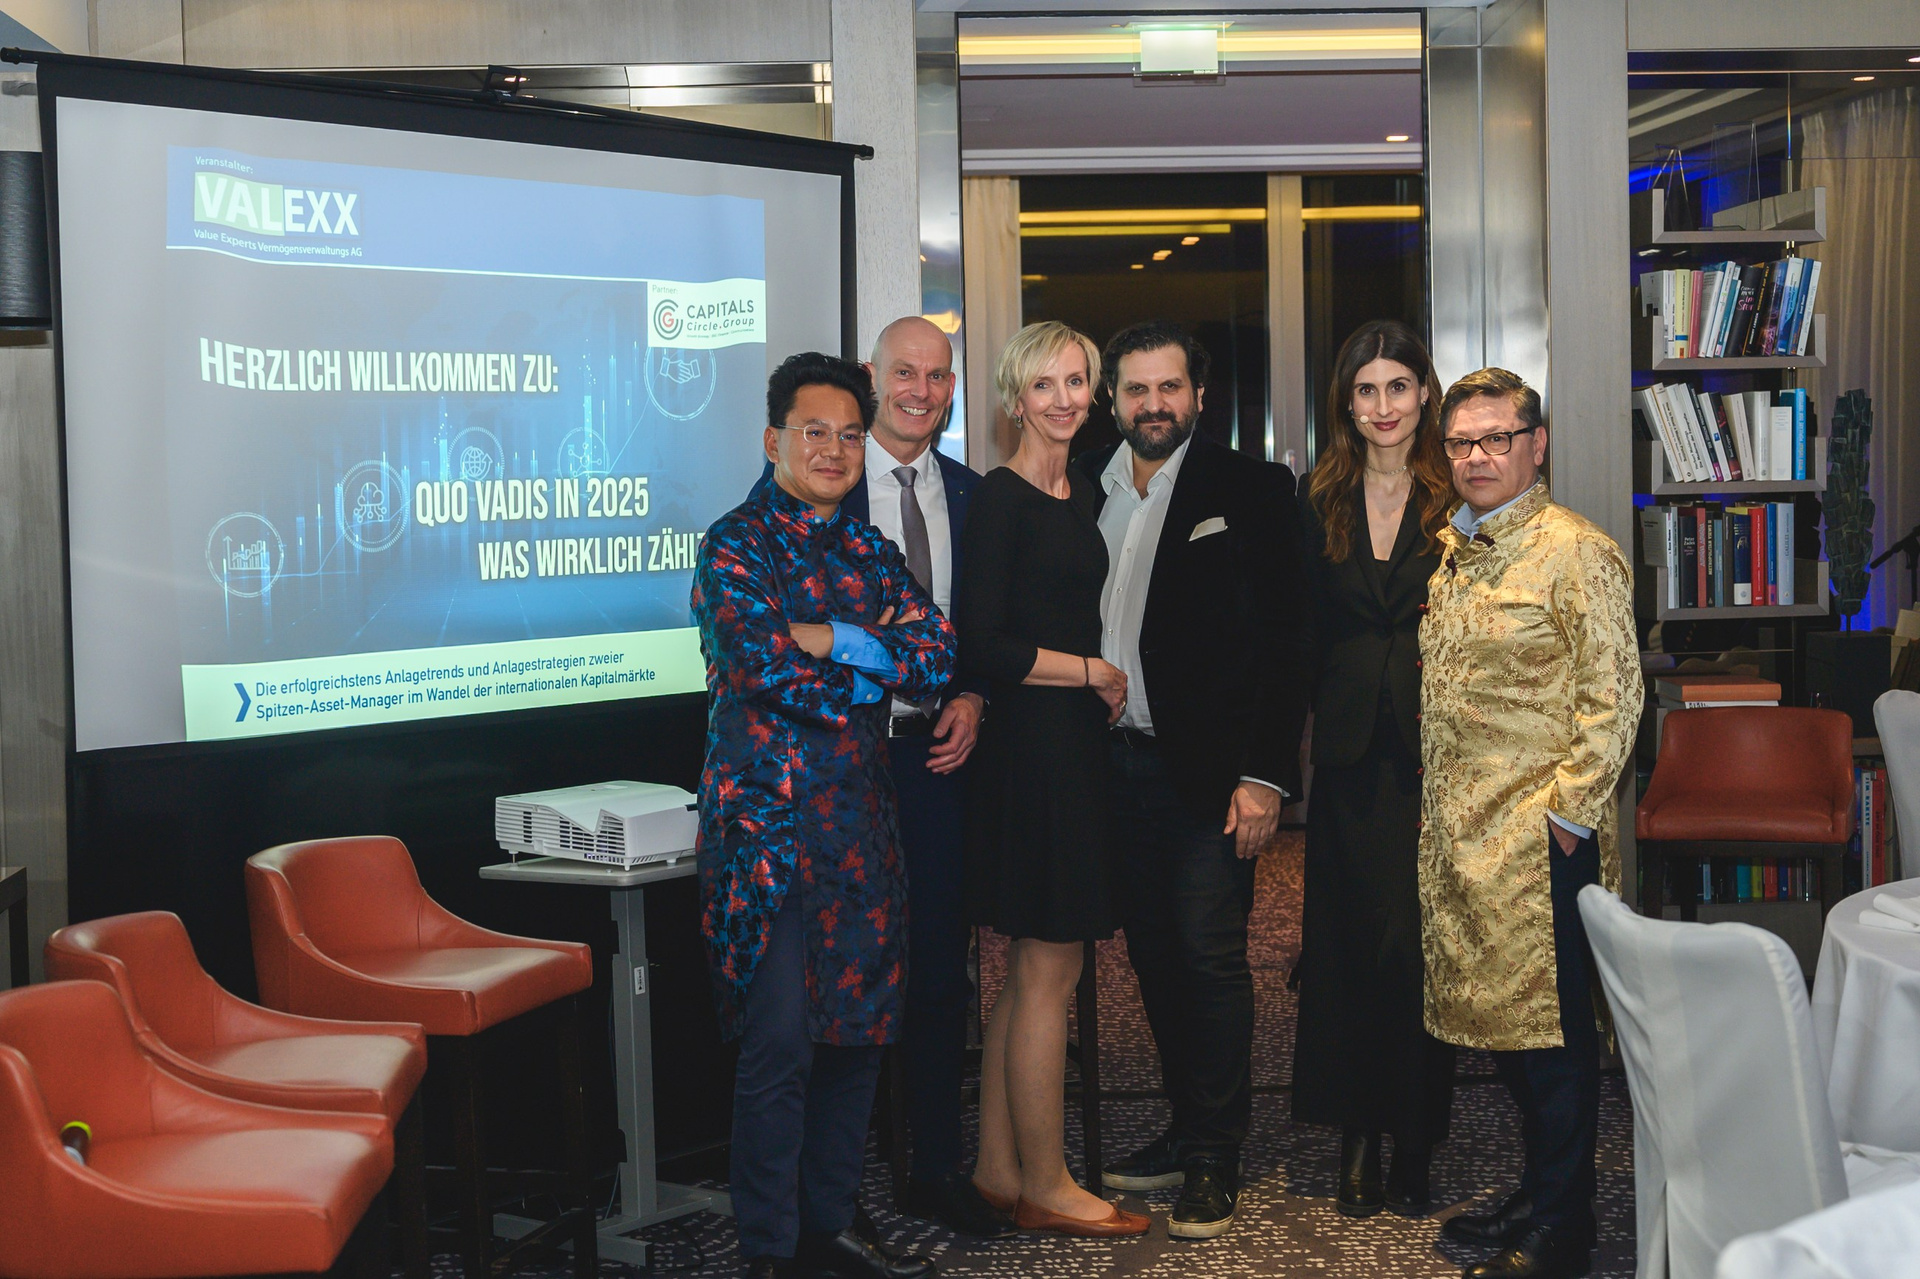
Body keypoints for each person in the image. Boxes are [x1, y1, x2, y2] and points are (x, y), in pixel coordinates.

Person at [691, 352, 957, 1279]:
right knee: (781, 1049)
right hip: (769, 841)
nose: (835, 450)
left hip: (861, 834)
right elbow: (767, 671)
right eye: (815, 432)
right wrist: (872, 673)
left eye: (850, 434)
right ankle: (770, 1250)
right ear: (774, 440)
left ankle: (826, 1229)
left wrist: (838, 637)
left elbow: (937, 656)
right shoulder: (734, 545)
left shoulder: (868, 550)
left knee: (858, 1040)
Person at [1080, 320, 1311, 1240]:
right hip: (1111, 768)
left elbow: (1289, 643)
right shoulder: (1085, 484)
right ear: (1113, 399)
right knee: (1150, 955)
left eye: (1169, 387)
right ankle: (1185, 1124)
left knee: (1209, 957)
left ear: (1199, 396)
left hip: (1213, 777)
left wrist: (1264, 776)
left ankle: (1217, 1152)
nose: (1153, 405)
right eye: (1136, 389)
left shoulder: (1250, 489)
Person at [1419, 368, 1641, 1279]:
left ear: (1536, 444)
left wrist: (1568, 817)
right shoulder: (1458, 548)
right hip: (1463, 834)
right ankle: (1539, 1190)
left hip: (1541, 837)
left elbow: (1615, 696)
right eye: (1462, 442)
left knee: (1553, 1041)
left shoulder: (1575, 550)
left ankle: (1565, 1224)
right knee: (1502, 1030)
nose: (1477, 456)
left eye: (1496, 438)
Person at [958, 321, 1149, 1240]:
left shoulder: (1079, 492)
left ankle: (999, 1168)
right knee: (1049, 967)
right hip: (1034, 750)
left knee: (1032, 967)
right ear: (1014, 397)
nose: (1064, 399)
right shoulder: (1002, 496)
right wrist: (1092, 673)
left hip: (1066, 745)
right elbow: (981, 643)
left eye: (1077, 381)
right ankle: (1048, 1182)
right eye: (1045, 384)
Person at [1290, 320, 1458, 1218]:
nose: (1384, 406)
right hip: (1351, 755)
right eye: (1367, 390)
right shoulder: (1317, 497)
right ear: (1346, 403)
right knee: (1348, 946)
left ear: (1425, 393)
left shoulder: (1458, 493)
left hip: (1440, 754)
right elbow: (1299, 635)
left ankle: (1416, 1139)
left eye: (1398, 386)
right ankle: (1357, 1134)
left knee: (1418, 950)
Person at [843, 317, 1005, 1237]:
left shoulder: (973, 495)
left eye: (938, 375)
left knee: (941, 970)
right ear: (873, 377)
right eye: (905, 372)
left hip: (937, 762)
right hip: (841, 769)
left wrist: (975, 694)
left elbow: (988, 626)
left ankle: (935, 1164)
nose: (922, 390)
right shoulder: (821, 482)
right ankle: (844, 1175)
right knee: (850, 970)